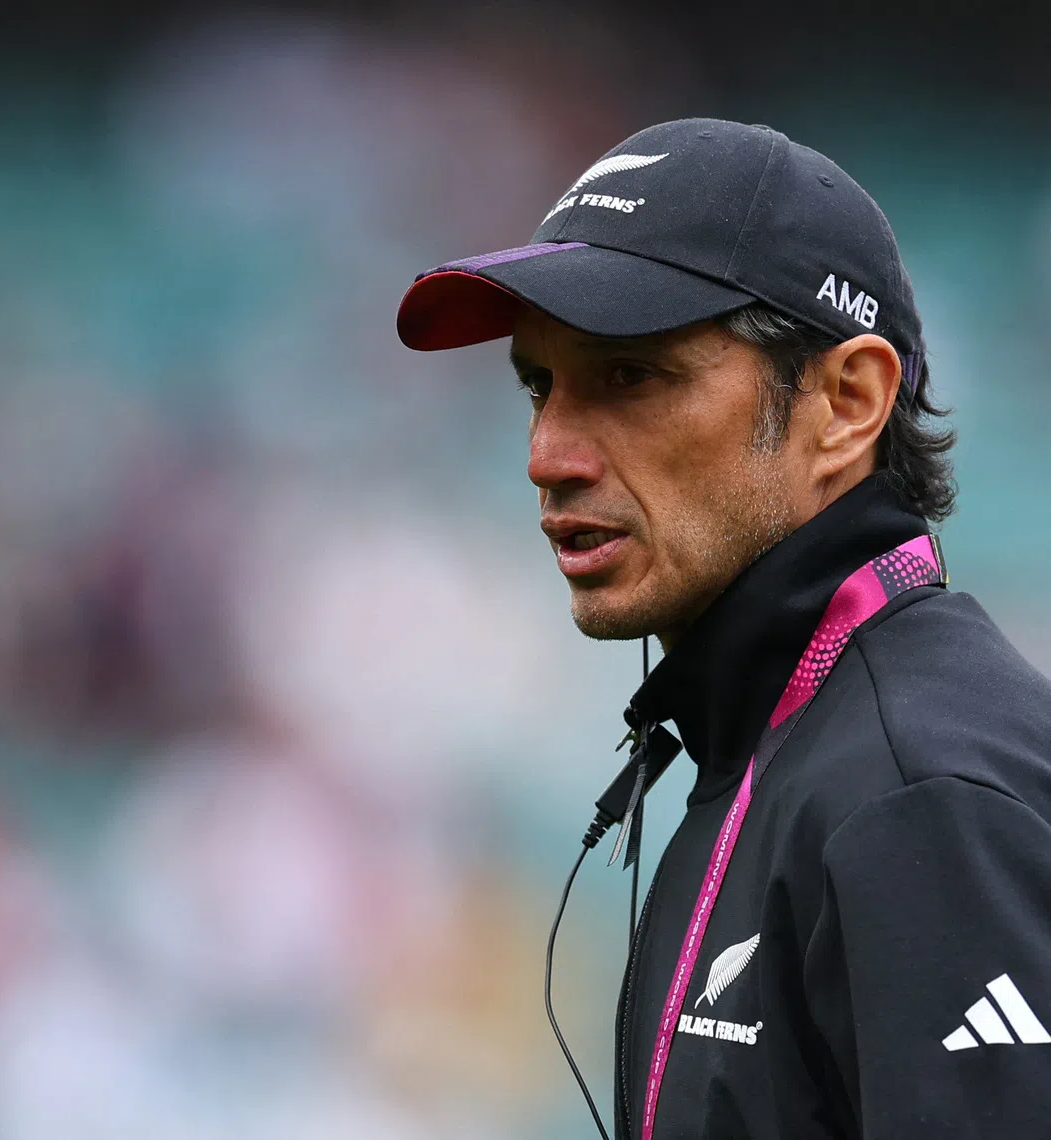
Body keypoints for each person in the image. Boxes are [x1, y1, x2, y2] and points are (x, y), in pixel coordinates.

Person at [395, 118, 1051, 1139]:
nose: (547, 455)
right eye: (540, 386)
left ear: (847, 402)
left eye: (629, 376)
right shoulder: (773, 749)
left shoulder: (919, 795)